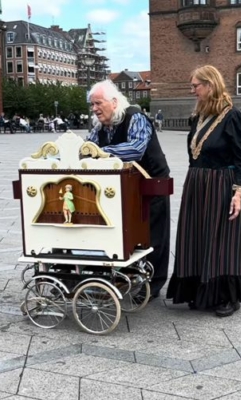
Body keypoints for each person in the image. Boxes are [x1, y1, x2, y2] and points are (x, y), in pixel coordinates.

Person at [166, 65, 241, 317]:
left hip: (221, 184)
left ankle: (226, 296)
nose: (192, 90)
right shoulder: (198, 117)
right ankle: (198, 290)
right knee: (194, 236)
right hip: (197, 183)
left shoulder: (232, 117)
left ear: (210, 85)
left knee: (222, 239)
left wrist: (237, 192)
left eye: (196, 85)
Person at [86, 79, 171, 299]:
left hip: (151, 183)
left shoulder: (135, 116)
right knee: (123, 233)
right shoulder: (99, 127)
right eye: (92, 104)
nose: (94, 108)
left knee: (152, 235)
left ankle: (152, 285)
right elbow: (87, 148)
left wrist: (100, 153)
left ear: (114, 102)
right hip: (123, 188)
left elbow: (136, 148)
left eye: (98, 103)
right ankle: (121, 277)